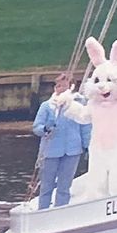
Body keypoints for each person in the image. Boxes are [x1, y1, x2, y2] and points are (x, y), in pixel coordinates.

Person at [32, 76, 91, 208]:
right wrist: (45, 129)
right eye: (57, 86)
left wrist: (87, 146)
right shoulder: (47, 106)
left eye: (63, 86)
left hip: (72, 150)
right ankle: (43, 210)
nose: (60, 89)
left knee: (65, 185)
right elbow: (36, 127)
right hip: (50, 151)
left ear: (71, 87)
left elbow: (85, 126)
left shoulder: (79, 105)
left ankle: (61, 209)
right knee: (47, 185)